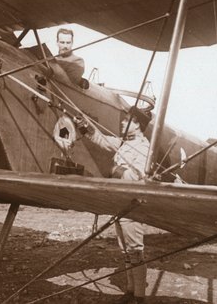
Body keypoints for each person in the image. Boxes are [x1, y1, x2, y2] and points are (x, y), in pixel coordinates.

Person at [75, 106, 151, 304]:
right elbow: (102, 140)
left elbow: (137, 177)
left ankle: (140, 297)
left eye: (127, 120)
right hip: (120, 202)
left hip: (133, 204)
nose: (123, 123)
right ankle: (130, 290)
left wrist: (116, 171)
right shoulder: (125, 143)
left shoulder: (144, 148)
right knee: (125, 251)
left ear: (138, 125)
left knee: (135, 250)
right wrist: (85, 126)